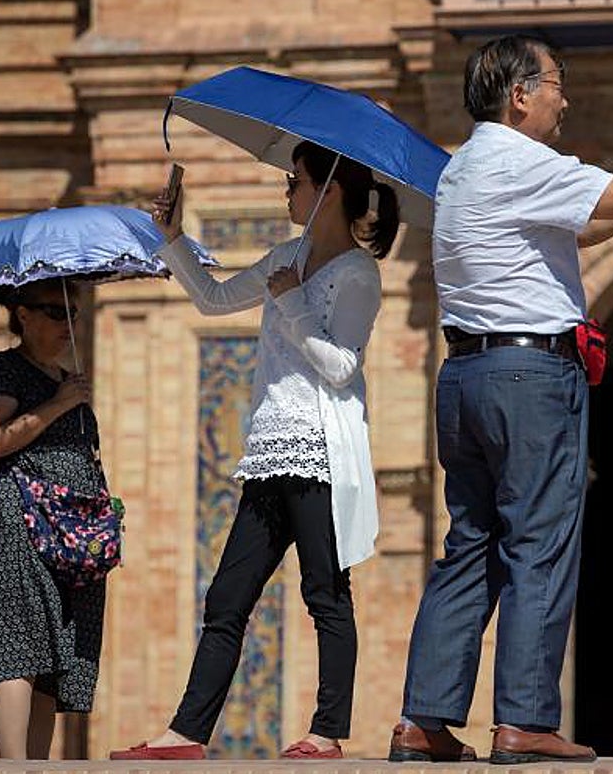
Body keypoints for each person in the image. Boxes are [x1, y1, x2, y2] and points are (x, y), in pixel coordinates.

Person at [389, 34, 613, 765]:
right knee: (539, 542)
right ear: (520, 94)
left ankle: (423, 719)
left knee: (470, 546)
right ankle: (523, 720)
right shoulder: (521, 159)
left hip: (468, 378)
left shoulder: (463, 168)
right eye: (555, 85)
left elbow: (593, 220)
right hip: (530, 380)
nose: (564, 100)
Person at [109, 140, 398, 761]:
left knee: (325, 592)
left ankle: (325, 733)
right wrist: (171, 237)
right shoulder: (286, 255)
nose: (286, 191)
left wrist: (292, 300)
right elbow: (212, 299)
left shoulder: (357, 274)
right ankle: (186, 733)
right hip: (270, 452)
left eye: (294, 180)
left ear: (329, 190)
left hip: (320, 452)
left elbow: (341, 367)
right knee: (227, 597)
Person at [0, 279, 104, 759]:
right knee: (15, 642)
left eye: (73, 313)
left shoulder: (64, 377)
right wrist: (61, 403)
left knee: (53, 652)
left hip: (68, 538)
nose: (68, 324)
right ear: (22, 314)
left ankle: (38, 768)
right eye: (54, 312)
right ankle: (13, 767)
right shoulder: (4, 368)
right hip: (16, 524)